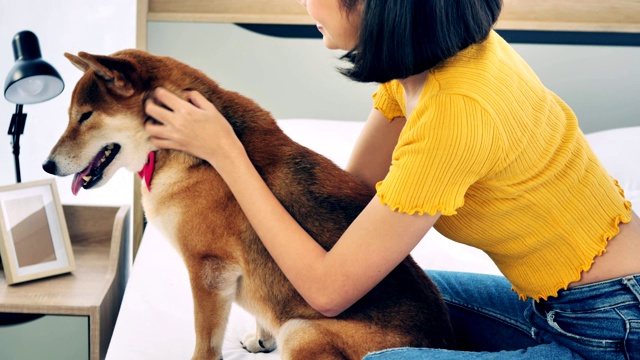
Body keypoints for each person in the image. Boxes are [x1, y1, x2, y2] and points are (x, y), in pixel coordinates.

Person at [144, 0, 640, 358]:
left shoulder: (457, 112)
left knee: (385, 356)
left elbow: (326, 291)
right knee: (398, 299)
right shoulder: (435, 63)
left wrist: (227, 152)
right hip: (560, 306)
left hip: (611, 324)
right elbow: (346, 202)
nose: (305, 4)